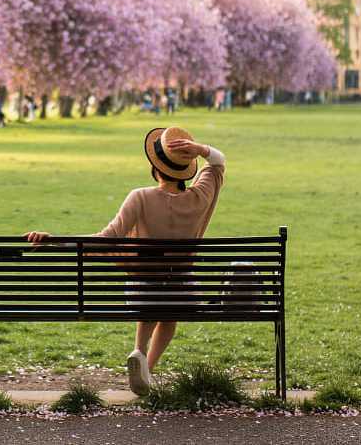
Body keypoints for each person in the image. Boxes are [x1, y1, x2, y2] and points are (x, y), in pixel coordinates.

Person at [24, 126, 226, 396]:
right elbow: (218, 162)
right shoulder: (199, 197)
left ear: (155, 169)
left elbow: (106, 238)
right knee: (170, 309)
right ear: (186, 171)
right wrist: (200, 150)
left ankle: (139, 350)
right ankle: (147, 369)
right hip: (182, 293)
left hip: (143, 291)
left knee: (150, 290)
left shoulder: (140, 196)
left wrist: (55, 240)